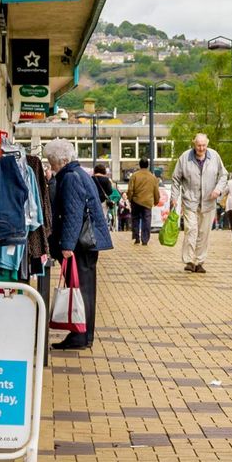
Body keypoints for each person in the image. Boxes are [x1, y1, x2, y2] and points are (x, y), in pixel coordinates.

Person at [45, 139, 113, 350]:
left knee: (80, 289)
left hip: (80, 245)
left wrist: (66, 245)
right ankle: (84, 334)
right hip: (87, 243)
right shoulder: (80, 174)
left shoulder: (71, 178)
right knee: (85, 289)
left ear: (62, 160)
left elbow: (72, 214)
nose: (51, 165)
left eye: (52, 161)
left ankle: (80, 335)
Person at [171, 133, 226, 273]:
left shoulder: (214, 156)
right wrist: (174, 197)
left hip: (209, 201)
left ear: (207, 144)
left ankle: (199, 261)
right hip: (190, 201)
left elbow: (223, 175)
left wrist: (218, 190)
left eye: (204, 145)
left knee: (204, 233)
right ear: (194, 144)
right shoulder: (184, 158)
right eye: (198, 145)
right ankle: (189, 260)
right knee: (191, 230)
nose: (201, 148)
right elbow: (176, 179)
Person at [127, 158, 160, 246]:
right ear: (148, 165)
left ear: (139, 164)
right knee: (147, 220)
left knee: (135, 219)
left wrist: (130, 198)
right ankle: (145, 240)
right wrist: (156, 200)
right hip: (148, 202)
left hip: (136, 201)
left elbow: (130, 189)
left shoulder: (134, 175)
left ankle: (136, 237)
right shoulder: (152, 177)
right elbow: (156, 191)